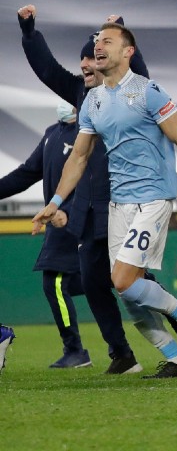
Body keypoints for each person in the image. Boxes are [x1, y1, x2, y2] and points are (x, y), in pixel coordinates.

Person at [33, 23, 177, 379]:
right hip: (118, 205)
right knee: (128, 293)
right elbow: (78, 157)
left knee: (122, 280)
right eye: (96, 42)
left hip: (153, 197)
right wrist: (57, 200)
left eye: (107, 41)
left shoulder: (149, 92)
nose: (98, 47)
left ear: (128, 51)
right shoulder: (93, 100)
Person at [17, 7, 144, 375]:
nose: (86, 64)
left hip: (127, 203)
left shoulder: (135, 89)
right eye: (84, 58)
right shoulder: (80, 93)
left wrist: (120, 31)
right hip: (90, 210)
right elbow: (46, 69)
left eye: (94, 55)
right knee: (95, 283)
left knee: (133, 285)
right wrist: (30, 33)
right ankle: (122, 354)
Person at [0, 103, 93, 369]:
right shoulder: (53, 132)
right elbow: (26, 174)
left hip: (75, 220)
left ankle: (75, 350)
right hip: (56, 220)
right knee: (87, 281)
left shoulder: (89, 133)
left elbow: (92, 178)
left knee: (54, 283)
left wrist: (68, 211)